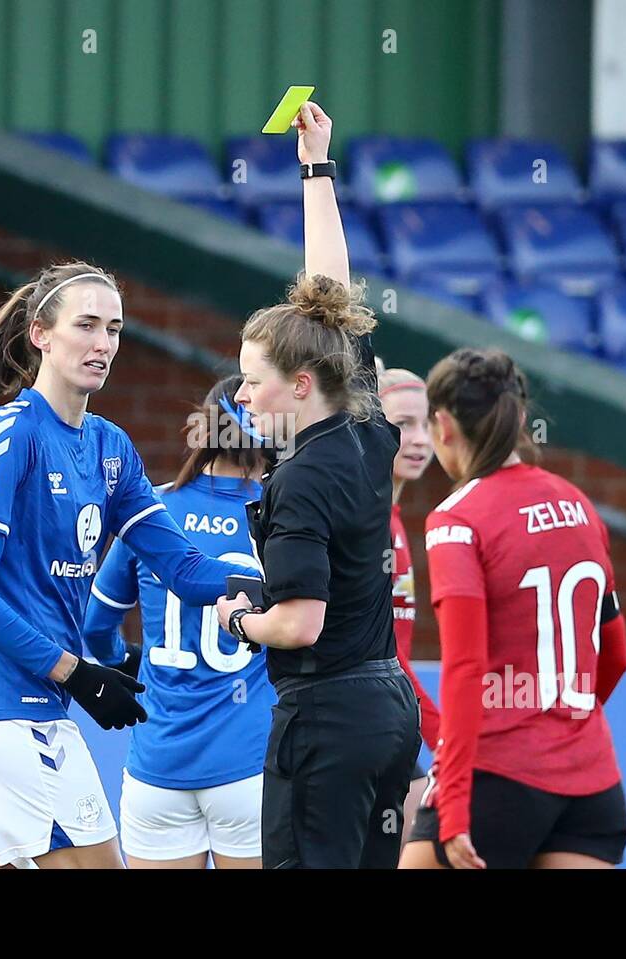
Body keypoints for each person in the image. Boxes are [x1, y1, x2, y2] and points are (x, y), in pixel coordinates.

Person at [0, 260, 255, 870]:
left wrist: (282, 586)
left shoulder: (109, 446)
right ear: (41, 333)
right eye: (87, 325)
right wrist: (77, 673)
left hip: (13, 713)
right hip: (15, 711)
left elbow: (183, 569)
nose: (103, 344)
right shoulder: (11, 432)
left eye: (115, 330)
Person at [214, 101, 421, 869]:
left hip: (327, 715)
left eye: (249, 382)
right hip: (389, 708)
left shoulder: (298, 479)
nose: (238, 398)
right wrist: (316, 166)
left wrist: (240, 620)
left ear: (300, 384)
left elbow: (298, 624)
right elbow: (330, 294)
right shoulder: (365, 428)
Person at [400, 348, 626, 870]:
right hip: (592, 787)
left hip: (497, 778)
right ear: (520, 418)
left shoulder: (456, 519)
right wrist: (561, 720)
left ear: (442, 424)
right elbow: (615, 655)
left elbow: (464, 668)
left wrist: (454, 802)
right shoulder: (579, 504)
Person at [83, 375, 275, 869]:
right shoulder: (283, 515)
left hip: (157, 763)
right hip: (250, 761)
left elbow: (97, 626)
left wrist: (124, 662)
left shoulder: (153, 511)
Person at [377, 367, 443, 849]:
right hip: (361, 716)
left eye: (428, 425)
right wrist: (443, 736)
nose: (420, 439)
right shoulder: (371, 520)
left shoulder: (392, 518)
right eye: (404, 425)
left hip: (384, 711)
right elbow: (387, 651)